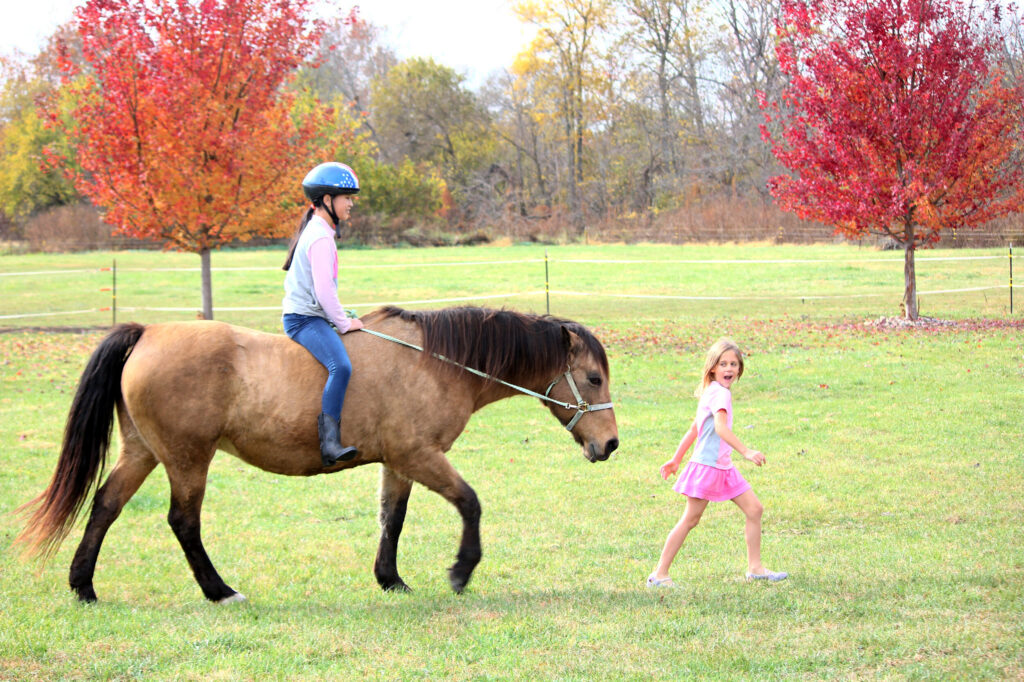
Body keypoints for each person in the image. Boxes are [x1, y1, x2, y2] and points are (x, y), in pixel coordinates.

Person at [647, 338, 788, 588]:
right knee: (690, 520)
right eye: (723, 363)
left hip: (724, 467)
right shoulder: (719, 394)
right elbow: (719, 428)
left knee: (754, 509)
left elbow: (694, 428)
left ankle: (755, 569)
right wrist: (746, 451)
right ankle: (659, 575)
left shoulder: (713, 391)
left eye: (734, 364)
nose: (729, 369)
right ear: (713, 367)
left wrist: (676, 459)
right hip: (708, 468)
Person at [282, 161, 365, 467]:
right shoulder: (319, 238)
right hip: (303, 320)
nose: (351, 204)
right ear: (328, 200)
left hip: (311, 316)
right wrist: (343, 322)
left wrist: (340, 315)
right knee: (340, 367)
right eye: (347, 198)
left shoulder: (320, 232)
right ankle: (329, 443)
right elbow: (324, 292)